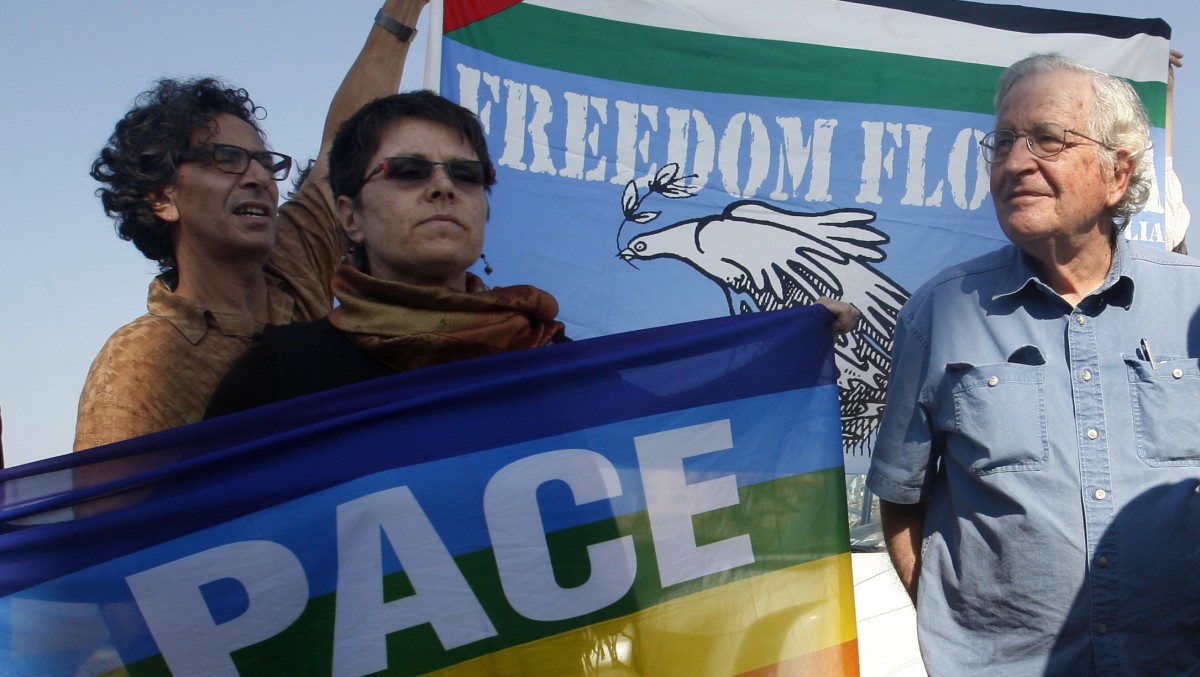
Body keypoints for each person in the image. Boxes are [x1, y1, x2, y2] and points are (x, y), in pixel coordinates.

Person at [206, 90, 862, 414]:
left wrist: (787, 343)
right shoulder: (281, 378)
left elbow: (669, 426)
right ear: (347, 213)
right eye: (408, 171)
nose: (442, 186)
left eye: (466, 175)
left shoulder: (548, 361)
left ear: (487, 208)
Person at [867, 52, 1200, 675]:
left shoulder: (1193, 305)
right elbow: (900, 497)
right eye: (1002, 144)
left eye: (1047, 139)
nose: (1016, 163)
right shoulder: (938, 313)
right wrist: (962, 636)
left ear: (1117, 175)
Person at [74, 0, 428, 451]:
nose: (259, 178)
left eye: (264, 162)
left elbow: (345, 139)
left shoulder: (292, 261)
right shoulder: (136, 364)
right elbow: (112, 517)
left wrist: (404, 8)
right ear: (162, 198)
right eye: (226, 160)